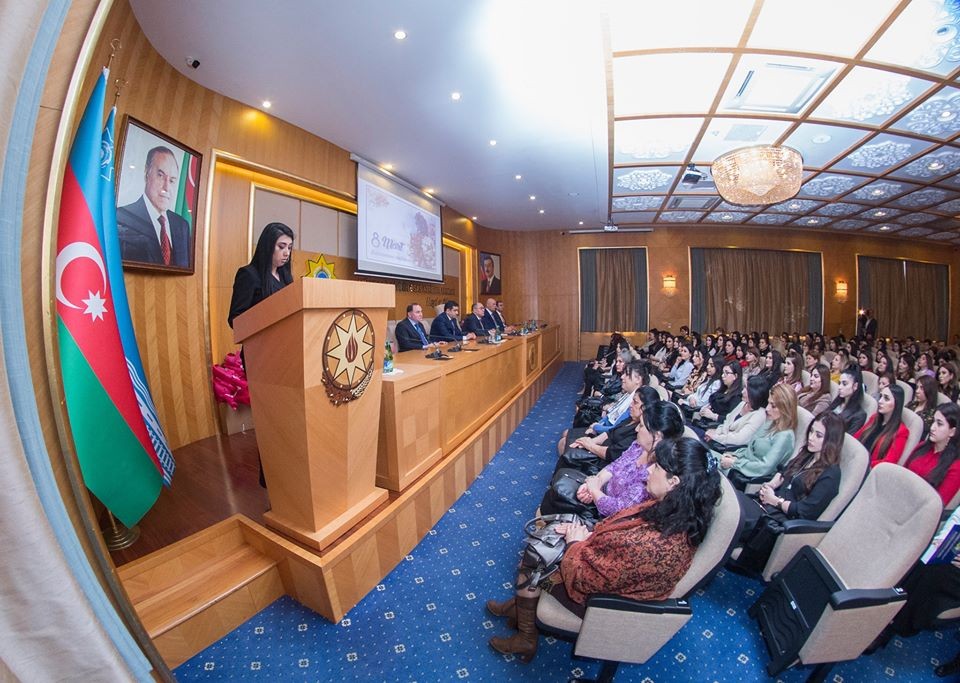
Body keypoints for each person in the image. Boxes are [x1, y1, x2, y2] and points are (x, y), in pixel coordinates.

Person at [486, 437, 722, 662]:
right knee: (541, 549)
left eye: (657, 467)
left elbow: (582, 579)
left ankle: (526, 635)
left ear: (674, 482)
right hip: (610, 576)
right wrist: (586, 534)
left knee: (532, 567)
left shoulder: (652, 543)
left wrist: (574, 543)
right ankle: (519, 610)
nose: (648, 471)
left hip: (598, 602)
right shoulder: (679, 512)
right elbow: (618, 542)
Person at [731, 413, 844, 573]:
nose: (811, 437)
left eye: (818, 435)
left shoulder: (831, 474)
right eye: (811, 431)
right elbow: (784, 472)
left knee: (731, 514)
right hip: (765, 505)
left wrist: (775, 500)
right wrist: (770, 485)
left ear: (831, 441)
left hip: (776, 520)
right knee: (728, 501)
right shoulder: (807, 454)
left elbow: (805, 511)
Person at [570, 401, 685, 517]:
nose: (636, 430)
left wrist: (595, 491)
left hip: (609, 518)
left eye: (641, 426)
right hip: (601, 493)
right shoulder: (639, 446)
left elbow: (620, 511)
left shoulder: (656, 471)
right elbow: (615, 466)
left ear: (657, 435)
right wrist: (596, 482)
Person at [117, 146, 192, 267]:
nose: (167, 187)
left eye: (172, 180)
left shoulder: (182, 226)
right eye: (160, 176)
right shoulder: (122, 217)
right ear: (147, 173)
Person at [719, 383, 797, 483]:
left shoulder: (785, 436)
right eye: (768, 403)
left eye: (773, 406)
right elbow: (750, 449)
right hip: (741, 465)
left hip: (747, 476)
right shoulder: (770, 423)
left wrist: (735, 463)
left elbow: (765, 467)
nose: (767, 408)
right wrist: (734, 455)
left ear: (785, 409)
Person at [227, 222, 294, 328]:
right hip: (260, 341)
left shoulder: (286, 277)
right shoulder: (249, 275)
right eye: (281, 247)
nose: (287, 253)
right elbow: (235, 320)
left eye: (289, 248)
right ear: (268, 247)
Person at [903, 402, 960, 506]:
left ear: (952, 432)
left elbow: (937, 506)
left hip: (918, 512)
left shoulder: (955, 466)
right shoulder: (922, 446)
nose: (932, 427)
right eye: (933, 421)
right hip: (899, 496)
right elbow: (903, 472)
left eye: (939, 424)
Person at [855, 384, 909, 467]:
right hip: (856, 461)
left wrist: (864, 464)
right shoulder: (874, 418)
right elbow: (856, 438)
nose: (880, 401)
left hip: (870, 470)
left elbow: (889, 462)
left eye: (886, 398)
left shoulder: (901, 431)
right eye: (881, 396)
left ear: (897, 404)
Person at [827, 363, 867, 434]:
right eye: (839, 383)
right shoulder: (837, 402)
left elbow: (847, 440)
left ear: (855, 386)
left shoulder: (859, 415)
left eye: (844, 384)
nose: (839, 387)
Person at [909, 374, 939, 440]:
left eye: (922, 388)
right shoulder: (911, 404)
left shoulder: (931, 414)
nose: (917, 391)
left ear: (929, 390)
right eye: (917, 387)